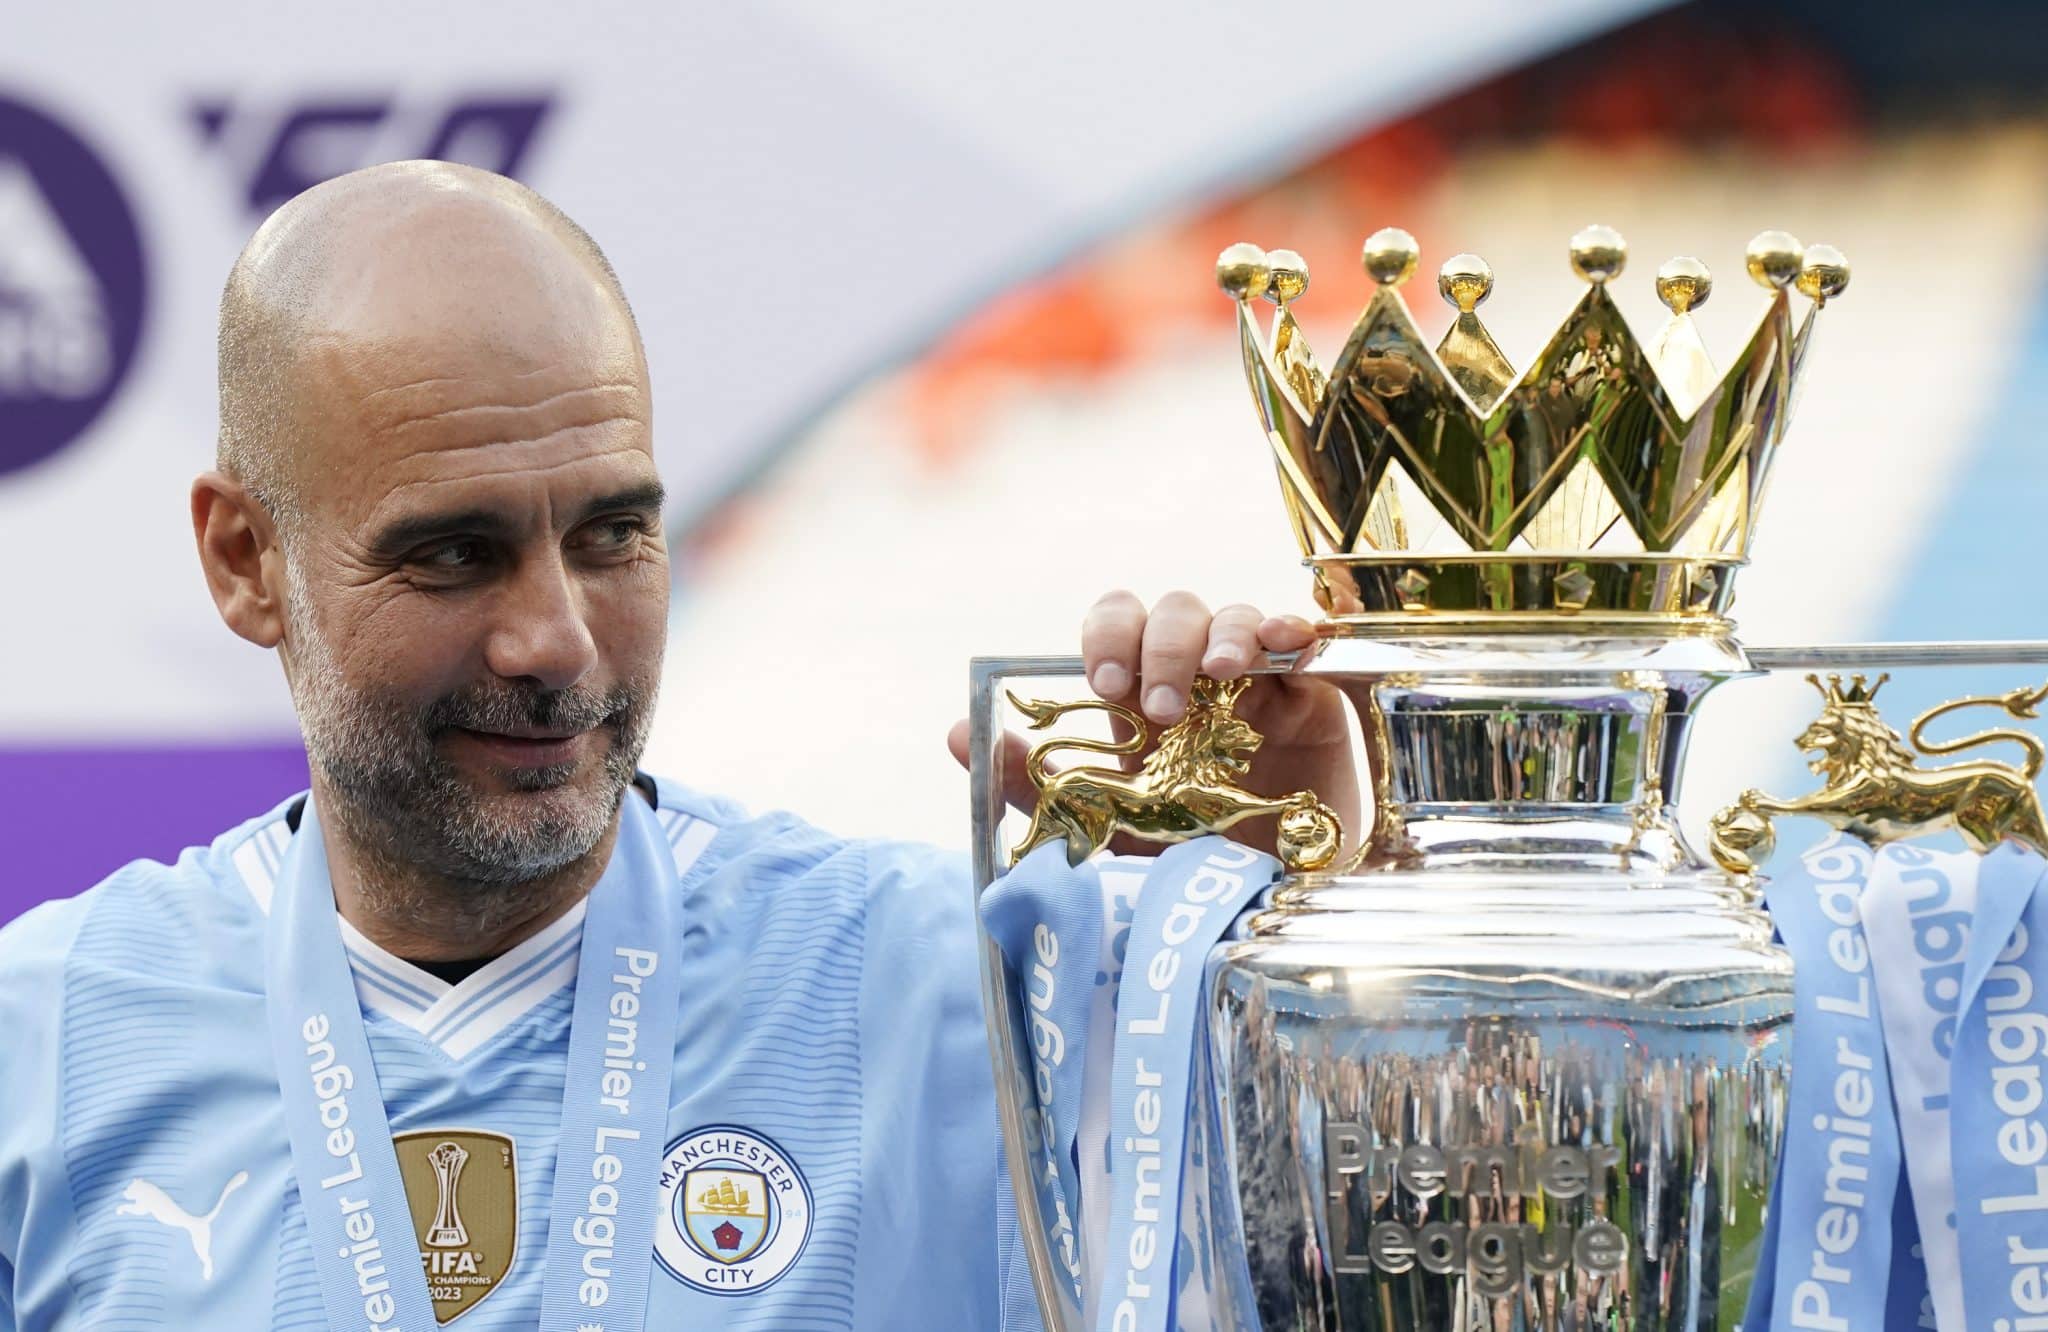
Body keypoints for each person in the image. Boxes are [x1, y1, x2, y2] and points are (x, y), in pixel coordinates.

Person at [0, 162, 1356, 1329]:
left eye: (612, 536)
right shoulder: (41, 1049)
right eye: (455, 554)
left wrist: (1299, 944)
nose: (556, 643)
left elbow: (1364, 1250)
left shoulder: (976, 994)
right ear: (246, 561)